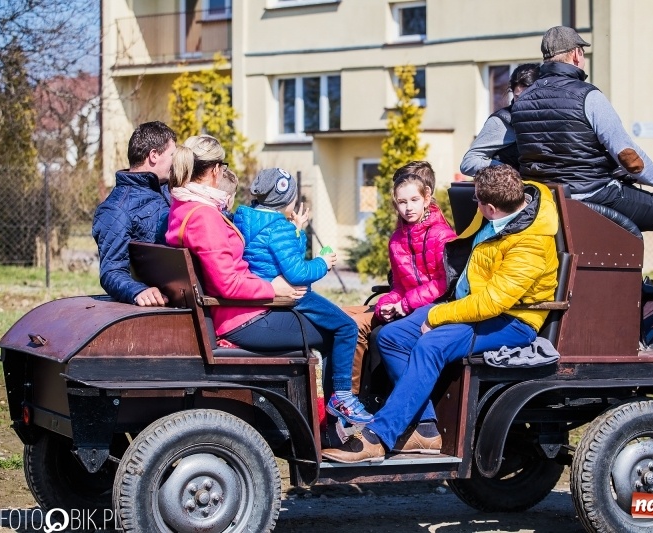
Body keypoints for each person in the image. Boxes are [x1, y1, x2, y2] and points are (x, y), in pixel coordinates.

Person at [322, 165, 559, 462]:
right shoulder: (499, 212)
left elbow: (491, 304)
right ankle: (426, 428)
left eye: (477, 202)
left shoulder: (531, 243)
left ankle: (378, 436)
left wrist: (437, 317)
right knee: (392, 337)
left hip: (511, 320)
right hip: (470, 307)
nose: (474, 205)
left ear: (489, 208)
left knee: (431, 343)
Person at [511, 26, 653, 320]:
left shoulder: (522, 102)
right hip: (592, 195)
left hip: (551, 201)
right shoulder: (587, 97)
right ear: (577, 55)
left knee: (636, 212)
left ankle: (640, 288)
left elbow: (551, 151)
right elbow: (630, 159)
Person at [233, 168, 372, 425]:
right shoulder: (278, 228)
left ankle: (335, 415)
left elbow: (283, 257)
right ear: (288, 199)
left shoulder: (246, 218)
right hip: (294, 295)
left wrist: (297, 230)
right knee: (347, 327)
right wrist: (323, 262)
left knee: (338, 326)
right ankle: (342, 395)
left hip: (266, 293)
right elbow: (298, 272)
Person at [165, 135, 323, 354]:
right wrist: (272, 289)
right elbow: (227, 284)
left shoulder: (181, 207)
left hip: (238, 312)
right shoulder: (203, 216)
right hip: (242, 318)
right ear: (215, 170)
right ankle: (339, 390)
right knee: (337, 329)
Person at [345, 167, 458, 397]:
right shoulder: (397, 240)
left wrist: (404, 305)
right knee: (343, 318)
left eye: (414, 200)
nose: (408, 207)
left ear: (426, 199)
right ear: (395, 205)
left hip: (435, 307)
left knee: (372, 333)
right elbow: (399, 285)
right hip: (407, 306)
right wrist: (387, 304)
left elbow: (443, 283)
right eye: (402, 202)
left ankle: (357, 397)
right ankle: (346, 397)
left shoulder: (441, 234)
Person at [92, 121, 176, 306]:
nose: (175, 162)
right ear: (154, 155)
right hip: (164, 305)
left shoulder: (170, 191)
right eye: (173, 155)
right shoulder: (115, 209)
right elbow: (111, 271)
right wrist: (138, 290)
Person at [460, 63, 540, 176]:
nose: (523, 103)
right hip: (509, 190)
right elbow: (468, 162)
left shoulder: (553, 118)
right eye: (518, 97)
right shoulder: (501, 121)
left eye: (528, 96)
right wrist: (506, 172)